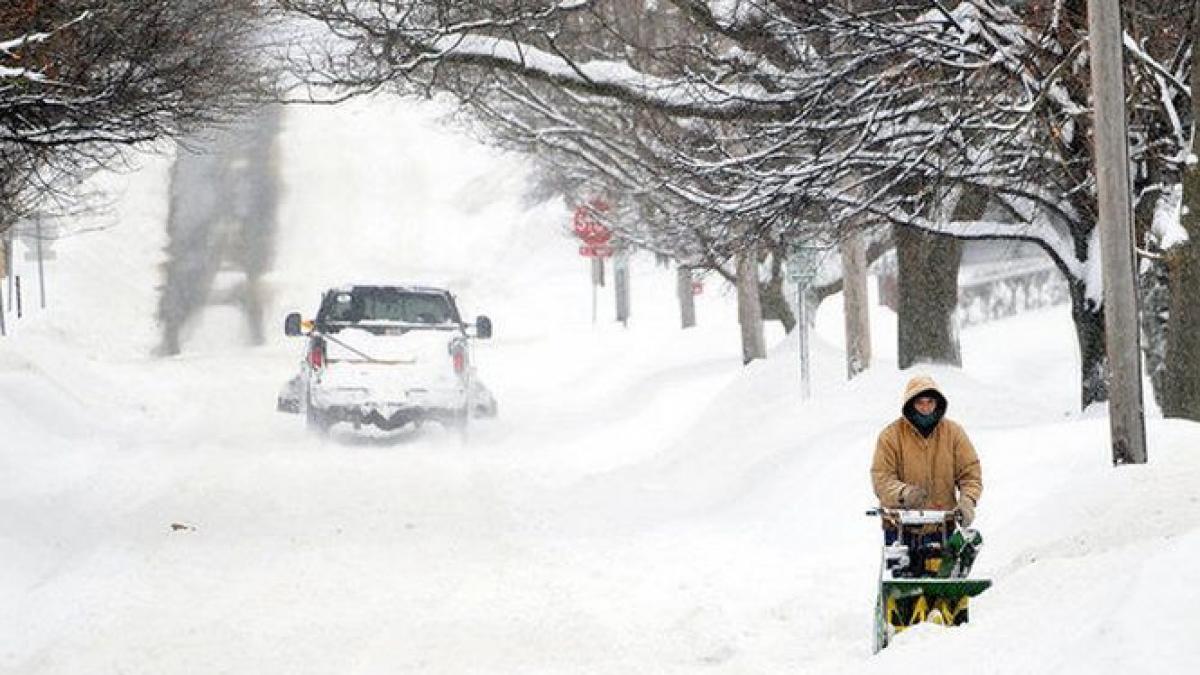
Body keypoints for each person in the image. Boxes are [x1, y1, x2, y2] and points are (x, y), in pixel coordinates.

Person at [871, 375, 982, 526]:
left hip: (942, 526)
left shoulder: (954, 433)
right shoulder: (890, 437)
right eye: (919, 402)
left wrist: (967, 500)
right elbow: (881, 479)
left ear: (938, 403)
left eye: (930, 402)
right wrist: (904, 493)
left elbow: (970, 474)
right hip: (900, 527)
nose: (926, 408)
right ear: (910, 404)